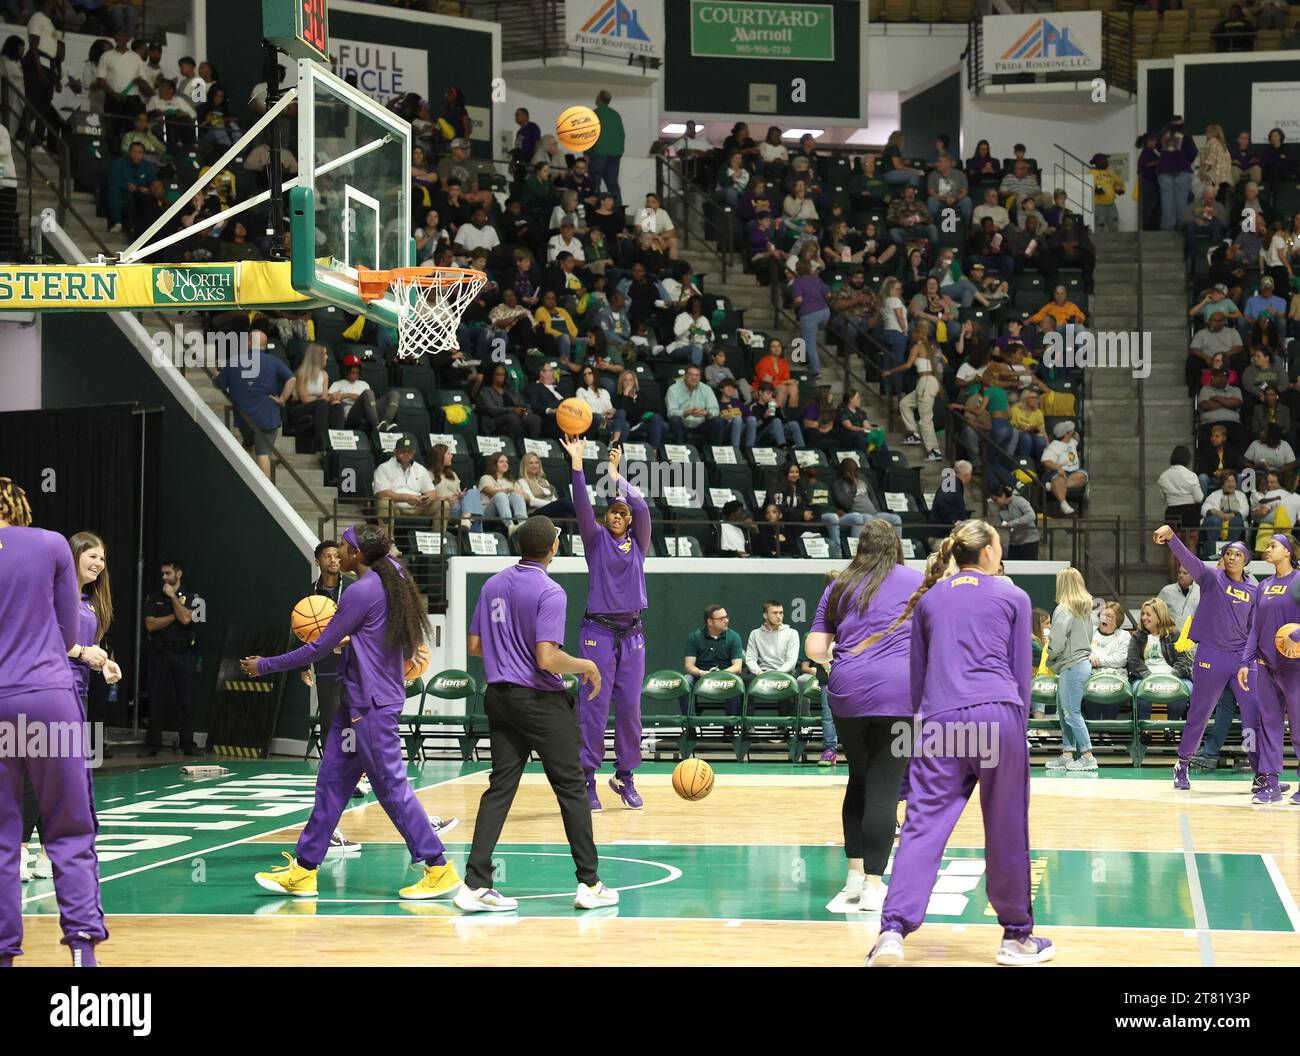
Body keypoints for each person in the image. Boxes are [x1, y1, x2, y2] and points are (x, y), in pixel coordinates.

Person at [865, 520, 1052, 967]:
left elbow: (918, 678)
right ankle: (1016, 938)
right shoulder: (1014, 596)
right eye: (1000, 544)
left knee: (921, 827)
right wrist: (1015, 731)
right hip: (997, 715)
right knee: (1007, 827)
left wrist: (920, 732)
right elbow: (1020, 674)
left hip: (938, 721)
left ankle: (892, 933)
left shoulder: (929, 599)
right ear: (987, 552)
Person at [244, 525, 460, 901]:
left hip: (372, 706)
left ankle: (438, 867)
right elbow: (366, 634)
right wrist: (354, 639)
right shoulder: (389, 576)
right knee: (331, 783)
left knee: (391, 786)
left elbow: (316, 649)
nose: (338, 553)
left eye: (343, 547)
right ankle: (304, 869)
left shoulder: (361, 590)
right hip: (357, 703)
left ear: (358, 554)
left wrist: (264, 665)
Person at [457, 515, 618, 912]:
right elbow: (547, 658)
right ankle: (590, 884)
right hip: (540, 703)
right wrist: (587, 666)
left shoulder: (493, 583)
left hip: (498, 696)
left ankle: (475, 885)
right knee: (571, 790)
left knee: (500, 788)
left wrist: (507, 651)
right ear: (553, 548)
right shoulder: (551, 591)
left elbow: (475, 646)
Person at [0, 478, 107, 967]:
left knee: (3, 839)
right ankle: (83, 956)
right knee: (68, 830)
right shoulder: (50, 543)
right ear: (21, 507)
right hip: (48, 698)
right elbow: (69, 631)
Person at [805, 522, 923, 910]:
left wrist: (835, 659)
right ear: (896, 547)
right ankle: (875, 883)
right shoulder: (916, 581)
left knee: (858, 779)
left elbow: (815, 647)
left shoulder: (839, 584)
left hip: (847, 692)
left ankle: (854, 877)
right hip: (899, 694)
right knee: (885, 786)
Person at [559, 439, 651, 811]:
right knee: (593, 708)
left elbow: (642, 505)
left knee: (630, 708)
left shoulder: (639, 544)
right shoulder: (594, 540)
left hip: (632, 635)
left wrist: (616, 476)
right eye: (611, 511)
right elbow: (582, 503)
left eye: (621, 512)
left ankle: (624, 777)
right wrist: (578, 466)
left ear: (629, 521)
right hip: (597, 632)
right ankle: (587, 779)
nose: (616, 516)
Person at [1152, 525, 1255, 791]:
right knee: (1200, 712)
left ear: (1246, 561)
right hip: (1211, 654)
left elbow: (1255, 630)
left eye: (1238, 554)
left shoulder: (1254, 591)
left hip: (1241, 659)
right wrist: (1172, 537)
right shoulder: (1211, 577)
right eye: (1228, 553)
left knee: (1253, 715)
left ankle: (1261, 771)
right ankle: (1182, 764)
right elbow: (1188, 559)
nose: (1231, 557)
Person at [1237, 534, 1300, 803]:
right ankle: (1271, 784)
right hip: (1265, 666)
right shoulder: (1263, 586)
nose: (1267, 549)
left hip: (1294, 668)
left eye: (1273, 545)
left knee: (1298, 728)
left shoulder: (1298, 581)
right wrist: (1244, 661)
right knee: (1269, 726)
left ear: (1287, 551)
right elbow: (1255, 629)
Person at [142, 558, 198, 756]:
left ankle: (188, 744)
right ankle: (152, 745)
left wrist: (174, 599)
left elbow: (187, 619)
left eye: (168, 573)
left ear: (178, 574)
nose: (164, 577)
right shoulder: (154, 597)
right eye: (163, 574)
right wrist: (176, 615)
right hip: (159, 654)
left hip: (184, 654)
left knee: (185, 701)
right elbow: (150, 624)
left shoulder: (193, 597)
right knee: (156, 701)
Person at [1044, 568, 1098, 772]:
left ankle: (1087, 756)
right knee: (1065, 712)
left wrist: (1049, 655)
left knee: (1071, 712)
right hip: (1078, 664)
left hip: (1072, 665)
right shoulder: (1084, 610)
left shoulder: (1064, 609)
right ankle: (1068, 753)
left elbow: (1056, 641)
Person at [1127, 597, 1194, 722]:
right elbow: (1133, 660)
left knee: (1185, 689)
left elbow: (1184, 660)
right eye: (1143, 614)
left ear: (1159, 616)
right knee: (1139, 690)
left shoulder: (1174, 634)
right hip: (1146, 677)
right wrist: (1148, 677)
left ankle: (1172, 726)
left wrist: (1172, 676)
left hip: (1173, 677)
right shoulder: (1137, 636)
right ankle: (1143, 730)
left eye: (1148, 614)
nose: (1143, 618)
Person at [682, 605, 744, 715]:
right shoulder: (695, 637)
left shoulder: (734, 637)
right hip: (701, 676)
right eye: (722, 619)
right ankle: (691, 725)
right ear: (710, 622)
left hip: (726, 676)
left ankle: (729, 728)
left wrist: (720, 674)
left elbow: (737, 667)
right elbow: (689, 666)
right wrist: (701, 673)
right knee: (686, 681)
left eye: (726, 617)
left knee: (736, 682)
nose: (726, 620)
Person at [1088, 602, 1132, 719]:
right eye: (1103, 615)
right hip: (1092, 676)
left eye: (1109, 616)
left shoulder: (1124, 636)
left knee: (1114, 690)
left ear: (1117, 621)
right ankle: (1094, 727)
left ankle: (1107, 729)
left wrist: (1097, 660)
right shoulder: (1090, 632)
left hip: (1116, 678)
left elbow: (1121, 660)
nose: (1105, 618)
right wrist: (1088, 658)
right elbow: (1083, 652)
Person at [744, 599, 800, 681]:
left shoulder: (792, 633)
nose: (779, 616)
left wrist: (775, 675)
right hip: (762, 675)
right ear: (765, 615)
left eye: (781, 613)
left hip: (785, 676)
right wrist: (759, 673)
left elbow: (791, 662)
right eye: (775, 613)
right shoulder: (755, 634)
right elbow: (750, 659)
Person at [1041, 421, 1087, 516]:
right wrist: (1058, 467)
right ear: (1067, 434)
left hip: (1073, 473)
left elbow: (1077, 437)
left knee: (1083, 476)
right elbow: (1045, 461)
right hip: (1058, 472)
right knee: (1059, 479)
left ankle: (1053, 486)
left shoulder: (1071, 442)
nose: (1073, 431)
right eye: (1070, 431)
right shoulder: (1054, 446)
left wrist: (1073, 432)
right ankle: (1063, 503)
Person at [587, 89, 624, 203]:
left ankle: (596, 209)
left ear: (599, 98)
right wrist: (619, 151)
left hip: (598, 153)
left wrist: (587, 153)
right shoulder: (615, 115)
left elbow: (589, 135)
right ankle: (618, 210)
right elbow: (621, 134)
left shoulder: (594, 114)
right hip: (615, 154)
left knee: (594, 183)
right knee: (613, 184)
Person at [992, 485, 1039, 560]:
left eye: (996, 499)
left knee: (1029, 568)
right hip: (1014, 542)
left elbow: (1031, 515)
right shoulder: (1000, 509)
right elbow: (1001, 523)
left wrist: (1013, 523)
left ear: (1003, 496)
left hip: (1029, 541)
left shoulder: (1019, 501)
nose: (995, 502)